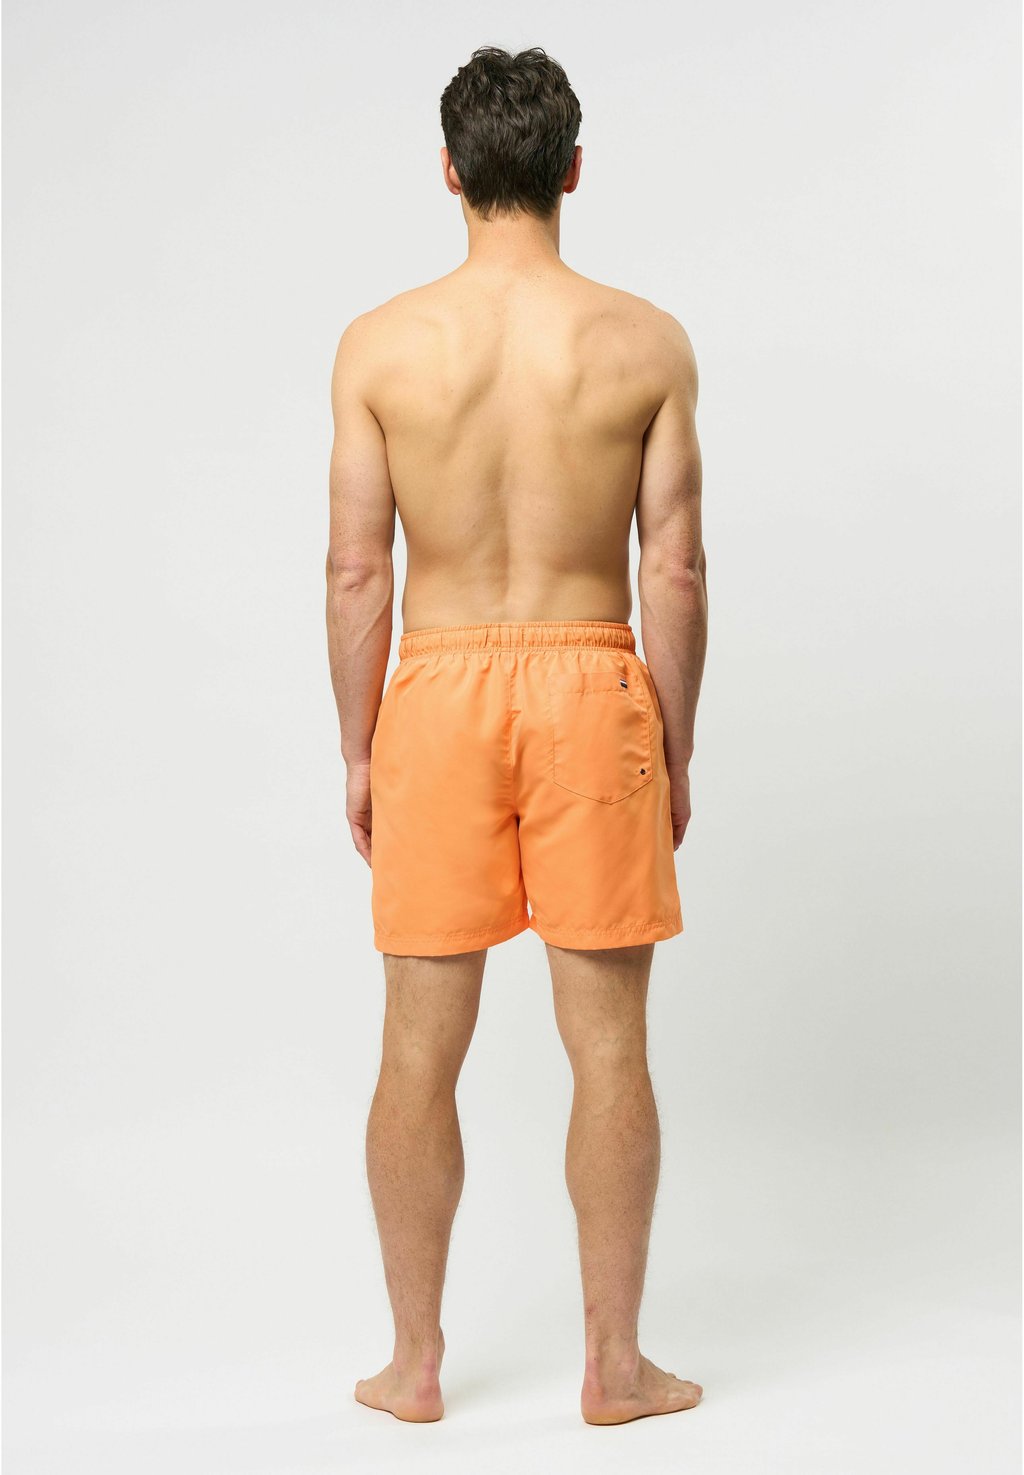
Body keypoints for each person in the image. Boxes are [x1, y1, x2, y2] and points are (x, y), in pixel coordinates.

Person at [325, 45, 707, 1427]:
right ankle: (616, 1368)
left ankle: (413, 1366)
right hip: (591, 680)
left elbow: (355, 571)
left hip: (435, 693)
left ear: (449, 170)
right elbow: (675, 569)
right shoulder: (643, 343)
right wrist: (673, 740)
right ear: (572, 169)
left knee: (415, 1050)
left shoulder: (380, 346)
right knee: (609, 1049)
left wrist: (360, 749)